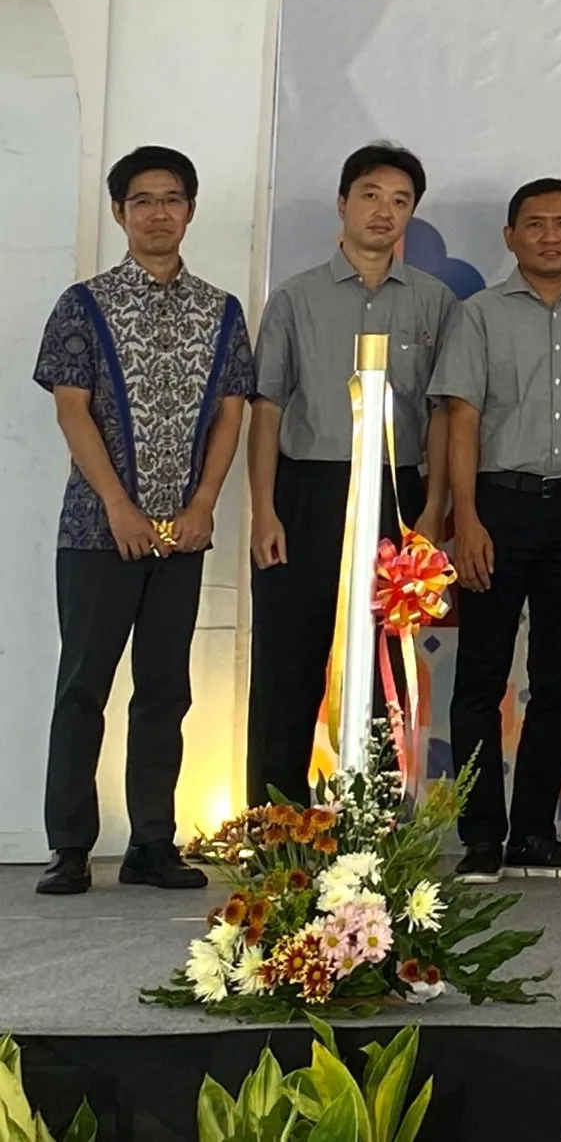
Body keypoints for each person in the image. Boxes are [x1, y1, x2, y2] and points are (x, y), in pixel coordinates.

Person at [31, 147, 255, 895]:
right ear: (121, 213)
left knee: (165, 689)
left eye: (171, 199)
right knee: (83, 686)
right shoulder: (83, 304)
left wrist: (202, 507)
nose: (158, 213)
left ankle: (151, 844)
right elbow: (72, 409)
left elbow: (232, 415)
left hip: (183, 535)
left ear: (191, 209)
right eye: (142, 201)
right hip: (99, 534)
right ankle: (68, 846)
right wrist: (120, 508)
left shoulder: (220, 310)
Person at [430, 178, 561, 882]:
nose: (550, 235)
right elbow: (462, 420)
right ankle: (481, 837)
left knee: (558, 679)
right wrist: (468, 519)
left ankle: (535, 835)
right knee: (481, 676)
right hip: (499, 505)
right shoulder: (479, 315)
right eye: (535, 224)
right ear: (510, 237)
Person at [247, 143, 454, 807]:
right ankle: (276, 827)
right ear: (343, 203)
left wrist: (431, 515)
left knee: (386, 669)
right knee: (291, 662)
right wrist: (264, 511)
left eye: (400, 201)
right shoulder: (296, 298)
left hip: (400, 498)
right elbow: (268, 408)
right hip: (307, 494)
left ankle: (379, 831)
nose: (383, 212)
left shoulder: (435, 303)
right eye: (370, 195)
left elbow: (444, 414)